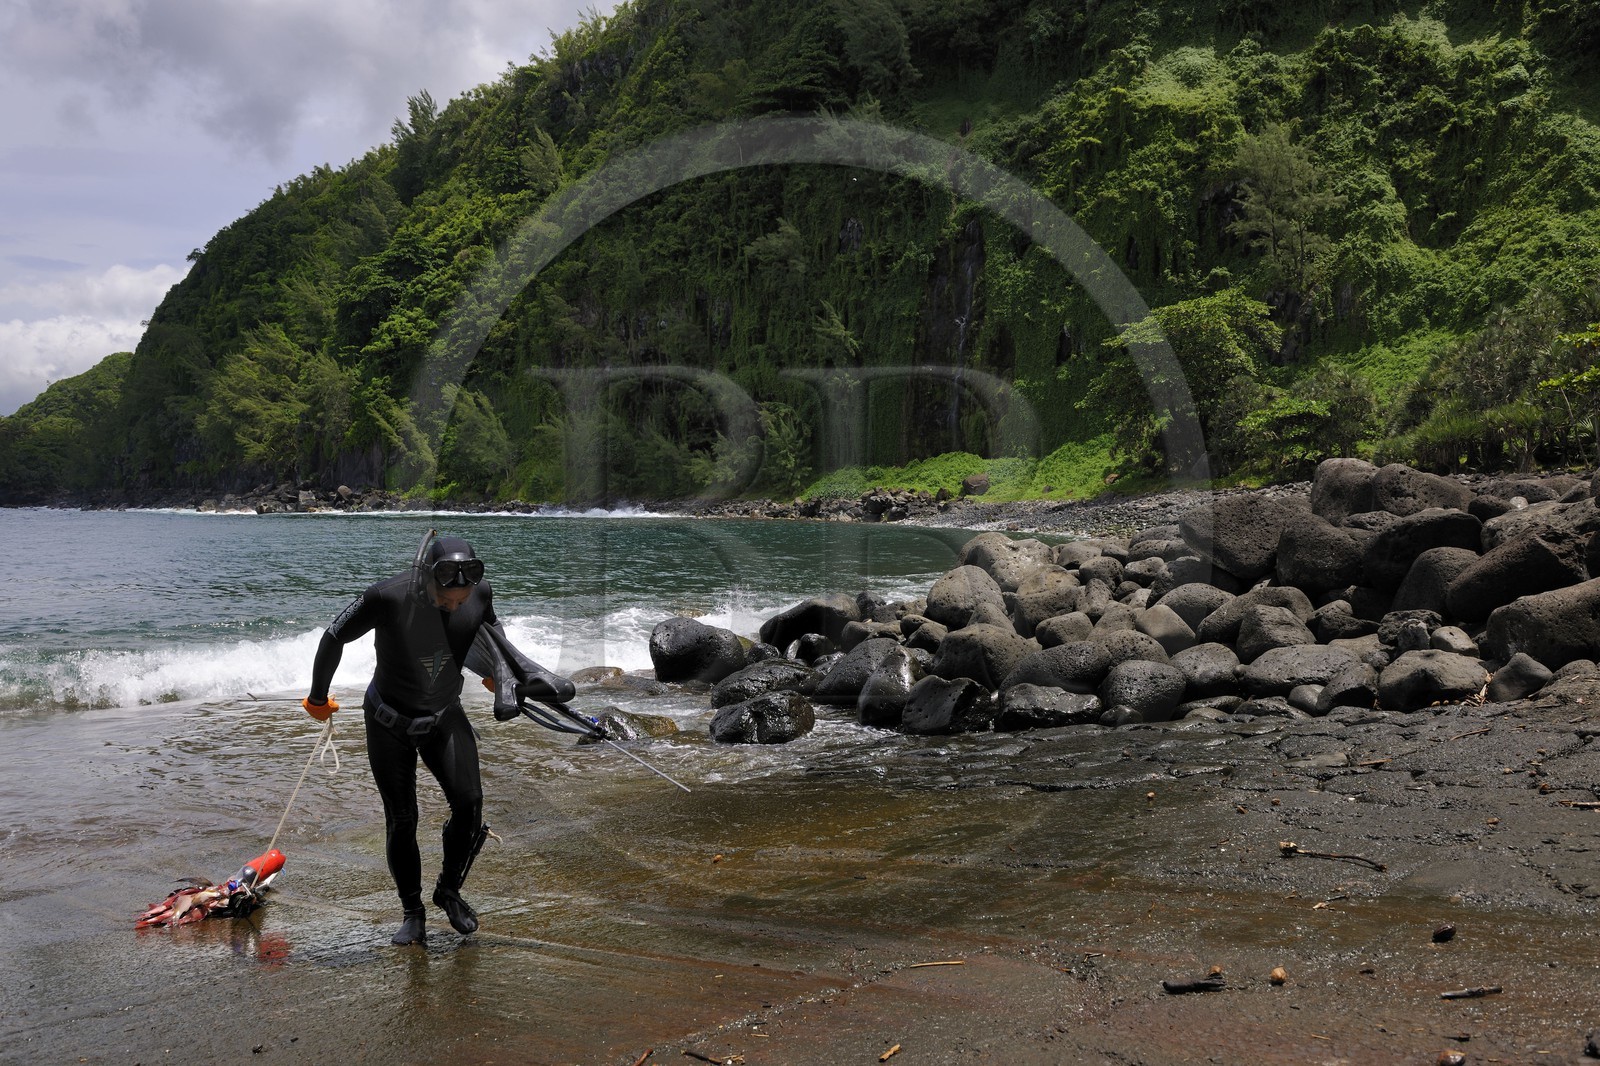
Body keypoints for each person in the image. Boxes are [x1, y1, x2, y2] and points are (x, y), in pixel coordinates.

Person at [302, 531, 574, 945]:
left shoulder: (479, 593)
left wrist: (497, 675)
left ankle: (449, 890)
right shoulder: (386, 596)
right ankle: (412, 913)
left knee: (469, 804)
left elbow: (492, 635)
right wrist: (318, 698)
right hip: (387, 720)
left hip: (444, 714)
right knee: (403, 818)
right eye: (446, 598)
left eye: (461, 600)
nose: (454, 605)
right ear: (425, 576)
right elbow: (334, 636)